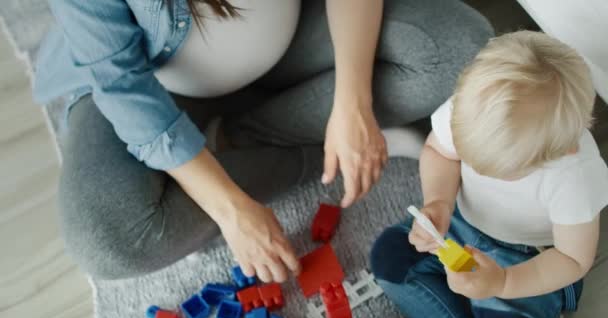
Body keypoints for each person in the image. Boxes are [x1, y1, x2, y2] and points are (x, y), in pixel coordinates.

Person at [34, 0, 492, 281]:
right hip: (161, 86)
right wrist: (229, 208)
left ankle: (240, 140)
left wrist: (353, 100)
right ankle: (262, 151)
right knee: (108, 239)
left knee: (458, 47)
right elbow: (123, 88)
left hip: (289, 41)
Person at [370, 31, 608, 318]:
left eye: (500, 172)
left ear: (564, 150)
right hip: (462, 222)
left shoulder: (575, 176)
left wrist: (504, 282)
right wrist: (439, 202)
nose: (475, 170)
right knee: (389, 257)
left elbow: (572, 259)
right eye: (468, 158)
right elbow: (439, 151)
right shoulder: (471, 111)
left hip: (527, 258)